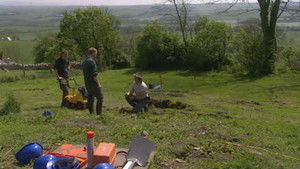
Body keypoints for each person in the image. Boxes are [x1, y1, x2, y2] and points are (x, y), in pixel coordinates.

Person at [82, 48, 103, 115]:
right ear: (93, 53)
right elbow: (94, 75)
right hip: (93, 83)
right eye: (96, 53)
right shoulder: (92, 62)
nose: (96, 55)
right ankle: (98, 114)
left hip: (87, 83)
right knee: (100, 97)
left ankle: (91, 113)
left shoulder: (85, 61)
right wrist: (98, 84)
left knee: (90, 98)